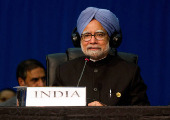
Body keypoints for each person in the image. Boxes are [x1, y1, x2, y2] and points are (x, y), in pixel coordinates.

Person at [52, 7, 150, 106]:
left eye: (100, 35)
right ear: (78, 39)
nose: (93, 41)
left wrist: (108, 113)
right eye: (86, 35)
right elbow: (53, 111)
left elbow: (142, 113)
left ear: (112, 39)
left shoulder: (130, 72)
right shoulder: (63, 71)